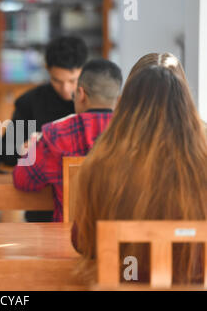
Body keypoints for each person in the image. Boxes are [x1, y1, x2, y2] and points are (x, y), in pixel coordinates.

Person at [72, 53, 207, 284]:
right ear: (186, 101)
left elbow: (83, 242)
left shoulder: (102, 161)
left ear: (124, 103)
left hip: (123, 283)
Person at [12, 59, 123, 222]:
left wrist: (33, 147)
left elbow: (22, 180)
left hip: (69, 240)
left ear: (81, 94)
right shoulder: (134, 133)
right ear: (118, 98)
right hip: (121, 240)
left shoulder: (56, 134)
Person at [2, 36, 88, 222]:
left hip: (86, 203)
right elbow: (7, 153)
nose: (66, 89)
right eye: (57, 81)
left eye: (73, 81)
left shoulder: (93, 102)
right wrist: (24, 149)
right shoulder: (29, 102)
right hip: (41, 206)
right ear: (48, 71)